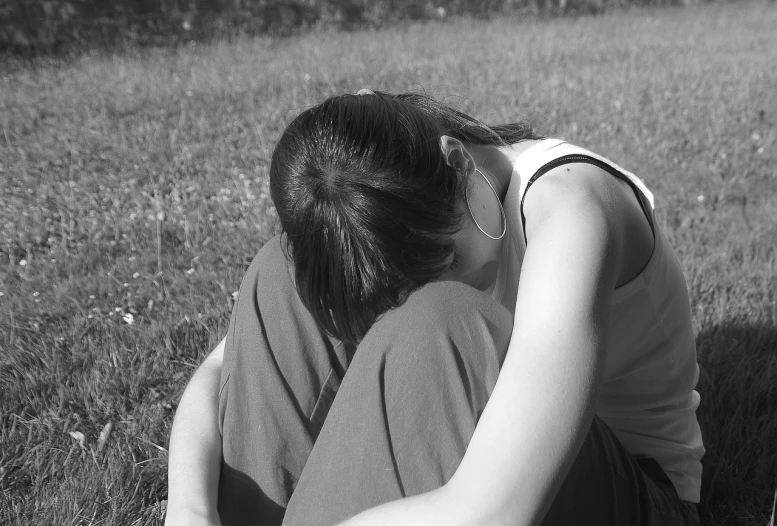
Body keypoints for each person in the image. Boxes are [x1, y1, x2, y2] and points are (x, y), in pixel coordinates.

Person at [165, 90, 704, 526]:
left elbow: (495, 512)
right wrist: (189, 509)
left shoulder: (571, 210)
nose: (437, 281)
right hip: (478, 453)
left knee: (443, 321)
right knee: (283, 271)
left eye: (446, 255)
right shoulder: (399, 190)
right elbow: (220, 371)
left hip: (627, 489)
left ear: (456, 159)